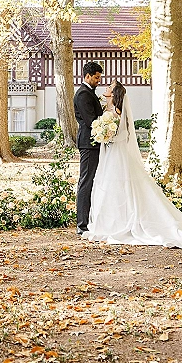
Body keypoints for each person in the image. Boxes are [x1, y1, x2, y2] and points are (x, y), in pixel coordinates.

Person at [85, 81, 182, 248]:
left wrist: (108, 136)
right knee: (110, 186)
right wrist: (103, 135)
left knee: (120, 186)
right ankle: (111, 223)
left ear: (114, 93)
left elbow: (124, 134)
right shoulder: (106, 110)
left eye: (110, 87)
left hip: (117, 156)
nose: (106, 88)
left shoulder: (117, 112)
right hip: (109, 155)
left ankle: (121, 223)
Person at [73, 60, 103, 236]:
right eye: (96, 78)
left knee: (92, 181)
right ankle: (82, 223)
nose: (99, 80)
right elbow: (91, 121)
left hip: (94, 143)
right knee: (86, 181)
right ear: (87, 76)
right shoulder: (83, 94)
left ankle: (89, 220)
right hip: (88, 144)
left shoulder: (89, 92)